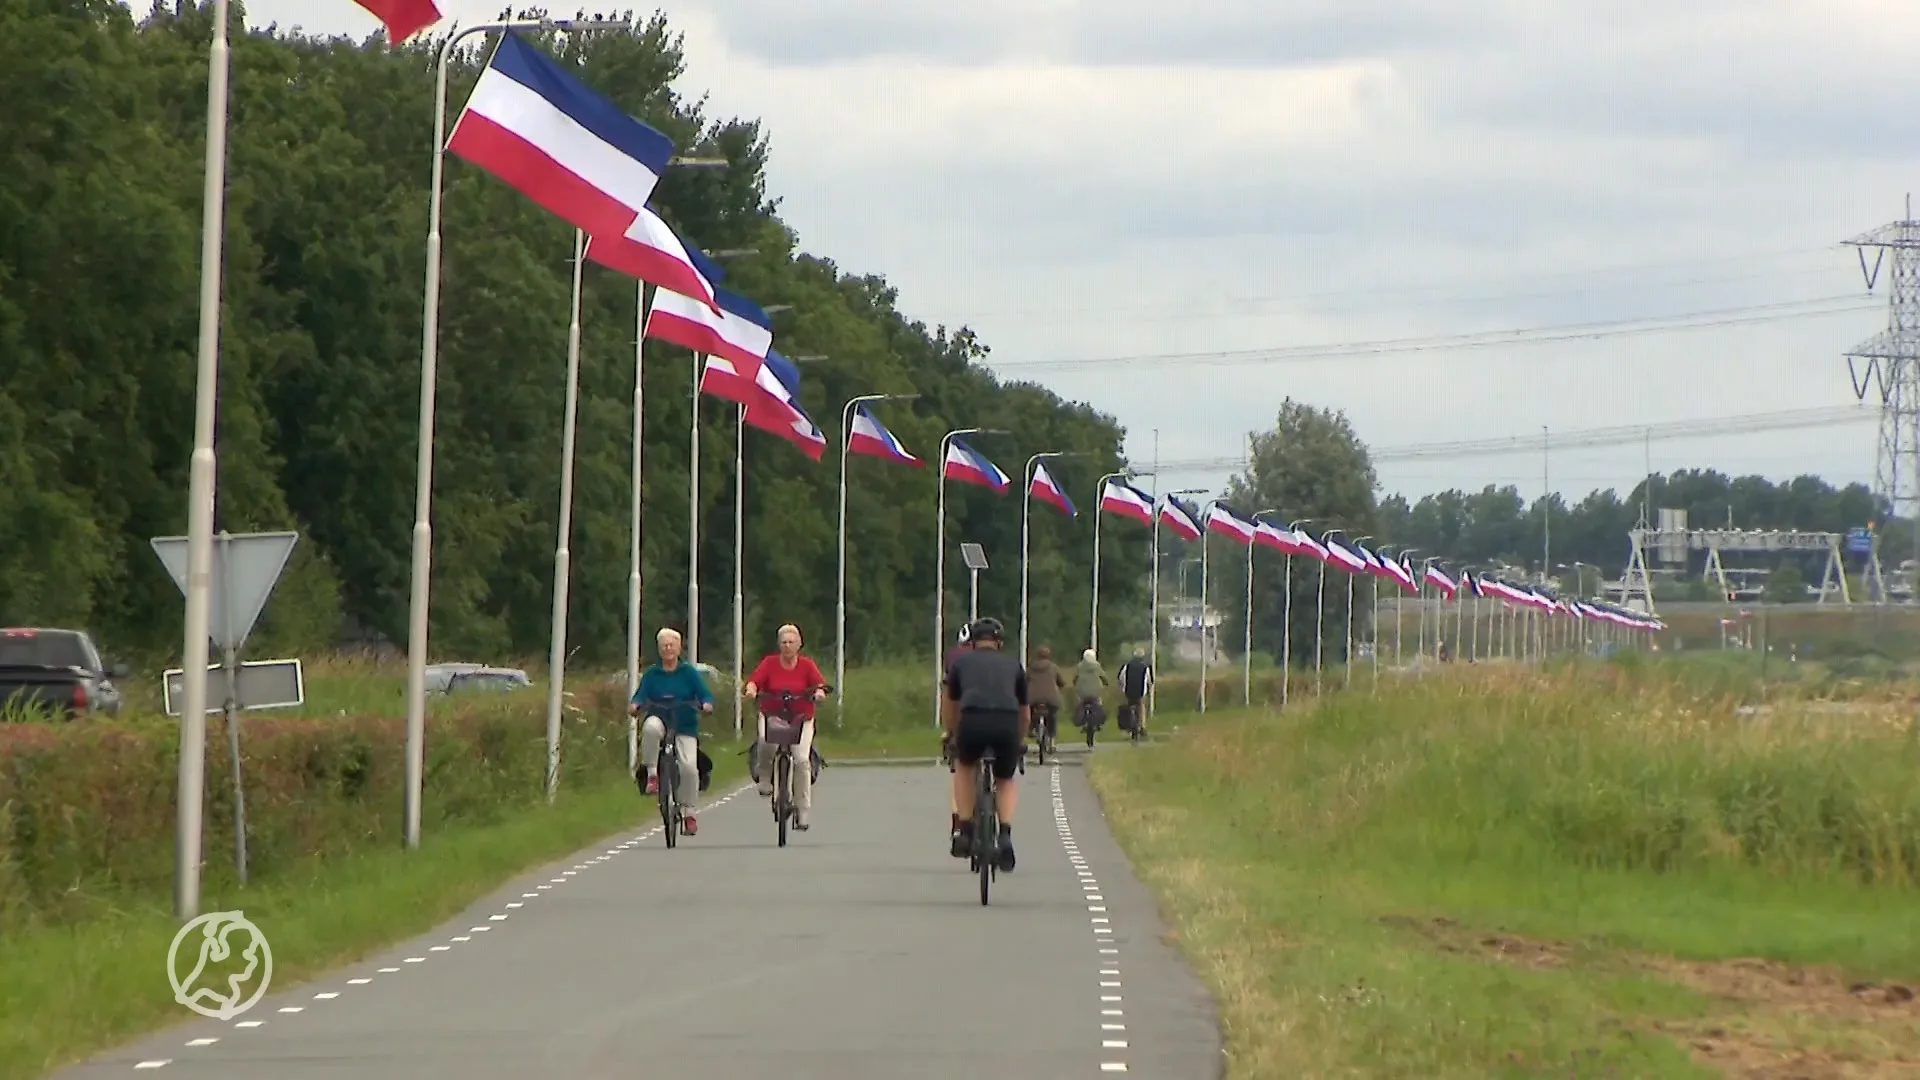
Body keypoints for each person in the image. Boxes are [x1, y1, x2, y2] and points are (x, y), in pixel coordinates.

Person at [943, 617, 1028, 870]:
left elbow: (951, 704)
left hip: (973, 721)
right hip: (1006, 723)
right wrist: (1020, 739)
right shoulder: (1014, 665)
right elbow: (1025, 711)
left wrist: (951, 734)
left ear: (972, 643)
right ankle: (1005, 835)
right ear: (999, 643)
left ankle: (967, 829)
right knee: (1005, 779)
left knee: (965, 767)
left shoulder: (961, 663)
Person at [742, 623, 828, 829]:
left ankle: (803, 809)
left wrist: (819, 694)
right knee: (765, 741)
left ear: (799, 644)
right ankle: (765, 776)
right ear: (779, 645)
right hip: (772, 714)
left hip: (801, 717)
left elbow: (819, 685)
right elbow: (754, 681)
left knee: (801, 760)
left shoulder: (807, 665)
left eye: (791, 642)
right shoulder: (769, 663)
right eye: (784, 642)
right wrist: (752, 690)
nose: (787, 646)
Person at [630, 627, 715, 835]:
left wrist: (706, 705)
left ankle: (690, 813)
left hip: (685, 723)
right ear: (659, 650)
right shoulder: (652, 674)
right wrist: (635, 706)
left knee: (689, 767)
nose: (668, 649)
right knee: (649, 728)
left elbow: (705, 695)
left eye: (671, 645)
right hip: (660, 717)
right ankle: (652, 775)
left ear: (679, 648)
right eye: (664, 646)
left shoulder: (689, 673)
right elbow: (639, 696)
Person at [1025, 643, 1068, 750]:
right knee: (1052, 716)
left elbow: (1024, 681)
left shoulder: (1031, 667)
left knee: (1029, 712)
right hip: (1051, 698)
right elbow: (1061, 682)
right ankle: (1052, 741)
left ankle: (1030, 730)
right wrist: (1060, 687)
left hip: (1033, 697)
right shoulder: (1053, 667)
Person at [1117, 647, 1154, 736]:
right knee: (1141, 707)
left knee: (1129, 706)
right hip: (1140, 692)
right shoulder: (1145, 667)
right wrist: (1149, 688)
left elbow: (1121, 677)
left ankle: (1128, 726)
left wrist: (1122, 686)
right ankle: (1142, 726)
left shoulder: (1126, 666)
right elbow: (1150, 680)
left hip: (1128, 691)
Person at [1073, 647, 1107, 733]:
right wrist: (1106, 683)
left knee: (1080, 703)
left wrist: (1075, 684)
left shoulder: (1079, 666)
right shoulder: (1097, 665)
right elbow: (1103, 676)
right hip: (1096, 691)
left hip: (1082, 692)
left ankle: (1081, 721)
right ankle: (1099, 723)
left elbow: (1075, 678)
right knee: (1099, 703)